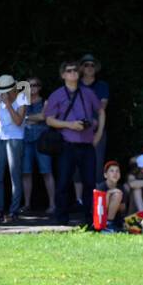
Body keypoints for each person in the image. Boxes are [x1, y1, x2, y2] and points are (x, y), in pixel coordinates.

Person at [43, 60, 104, 224]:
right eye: (69, 71)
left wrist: (97, 136)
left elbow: (101, 111)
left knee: (89, 183)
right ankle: (61, 219)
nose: (73, 73)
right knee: (63, 183)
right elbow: (49, 120)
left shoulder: (88, 93)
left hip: (87, 145)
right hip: (66, 145)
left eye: (75, 70)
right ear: (63, 75)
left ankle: (89, 219)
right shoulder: (56, 94)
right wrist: (69, 125)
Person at [0, 74, 29, 224]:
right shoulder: (0, 97)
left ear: (13, 87)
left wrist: (9, 105)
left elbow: (18, 121)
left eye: (7, 90)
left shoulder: (22, 98)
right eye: (2, 90)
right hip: (0, 138)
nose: (4, 93)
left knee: (15, 176)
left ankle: (14, 211)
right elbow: (0, 117)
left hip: (15, 139)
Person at [21, 76, 53, 216]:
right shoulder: (21, 102)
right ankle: (27, 204)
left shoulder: (46, 102)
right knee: (26, 173)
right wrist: (33, 119)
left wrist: (26, 118)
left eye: (34, 85)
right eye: (28, 85)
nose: (32, 88)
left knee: (46, 171)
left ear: (39, 87)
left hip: (42, 141)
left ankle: (53, 204)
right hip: (26, 141)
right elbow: (17, 118)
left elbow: (43, 117)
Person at [79, 53, 110, 183]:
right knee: (77, 164)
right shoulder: (75, 85)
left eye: (92, 65)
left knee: (97, 162)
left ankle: (97, 198)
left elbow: (102, 106)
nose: (90, 67)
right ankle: (79, 200)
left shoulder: (102, 85)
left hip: (98, 128)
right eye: (86, 65)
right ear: (81, 68)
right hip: (77, 128)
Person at [100, 161, 125, 231]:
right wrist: (108, 194)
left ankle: (111, 224)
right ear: (105, 175)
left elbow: (123, 208)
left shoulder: (121, 187)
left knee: (117, 195)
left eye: (117, 171)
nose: (115, 173)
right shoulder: (101, 187)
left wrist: (116, 203)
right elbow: (101, 209)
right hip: (100, 219)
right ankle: (108, 224)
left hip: (116, 217)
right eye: (112, 171)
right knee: (117, 194)